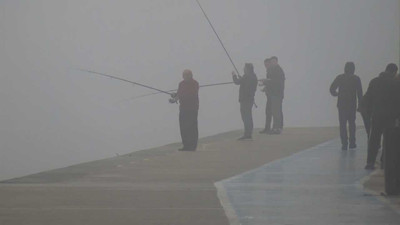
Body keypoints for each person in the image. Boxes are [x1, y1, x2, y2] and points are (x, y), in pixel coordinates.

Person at [362, 63, 399, 169]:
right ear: (393, 72)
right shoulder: (395, 83)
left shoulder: (374, 81)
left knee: (374, 138)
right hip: (390, 117)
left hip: (377, 115)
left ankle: (370, 162)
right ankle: (384, 161)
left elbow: (368, 97)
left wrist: (367, 112)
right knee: (388, 140)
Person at [330, 62, 363, 150]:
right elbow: (360, 93)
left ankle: (344, 143)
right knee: (352, 124)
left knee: (342, 124)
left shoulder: (340, 77)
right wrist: (360, 105)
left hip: (341, 105)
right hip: (352, 105)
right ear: (353, 69)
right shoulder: (356, 79)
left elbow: (332, 88)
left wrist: (336, 94)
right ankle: (352, 142)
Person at [170, 69, 199, 151]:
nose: (186, 77)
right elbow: (179, 93)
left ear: (191, 75)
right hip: (183, 108)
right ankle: (186, 145)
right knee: (183, 127)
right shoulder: (181, 84)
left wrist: (176, 98)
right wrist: (175, 96)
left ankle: (192, 146)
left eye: (187, 75)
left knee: (192, 128)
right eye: (184, 75)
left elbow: (191, 94)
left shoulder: (195, 83)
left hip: (192, 108)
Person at [232, 63, 258, 140]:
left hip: (244, 99)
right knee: (249, 116)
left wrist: (234, 75)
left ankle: (247, 134)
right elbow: (244, 82)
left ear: (247, 69)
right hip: (250, 99)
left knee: (245, 117)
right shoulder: (254, 76)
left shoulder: (246, 77)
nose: (243, 69)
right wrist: (242, 79)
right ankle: (249, 133)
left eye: (244, 68)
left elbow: (236, 82)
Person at [260, 56, 285, 134]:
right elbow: (272, 82)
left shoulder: (278, 70)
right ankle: (273, 128)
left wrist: (265, 82)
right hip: (272, 94)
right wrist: (266, 86)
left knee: (276, 111)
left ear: (276, 62)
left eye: (273, 61)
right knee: (272, 111)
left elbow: (275, 82)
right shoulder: (272, 70)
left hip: (276, 94)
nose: (272, 63)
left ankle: (277, 129)